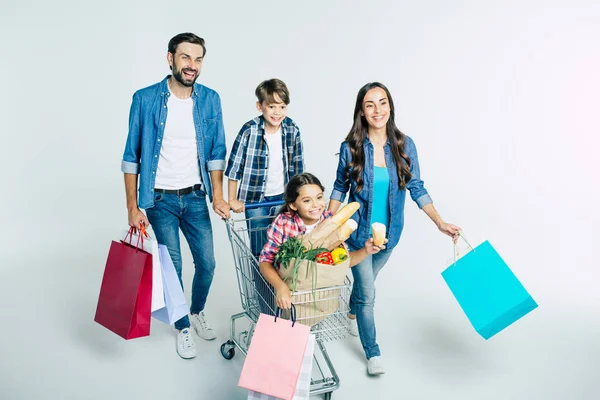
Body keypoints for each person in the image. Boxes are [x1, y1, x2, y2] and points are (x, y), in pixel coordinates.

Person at [328, 82, 461, 375]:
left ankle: (351, 312)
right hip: (358, 235)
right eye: (370, 104)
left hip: (390, 236)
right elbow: (340, 187)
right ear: (361, 112)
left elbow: (416, 186)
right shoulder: (350, 147)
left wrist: (440, 222)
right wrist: (328, 223)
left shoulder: (404, 144)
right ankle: (373, 353)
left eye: (383, 102)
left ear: (390, 106)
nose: (378, 110)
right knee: (368, 295)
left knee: (368, 281)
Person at [121, 32, 230, 360]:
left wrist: (218, 197)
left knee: (208, 263)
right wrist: (132, 207)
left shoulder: (210, 100)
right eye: (186, 58)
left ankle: (196, 312)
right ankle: (183, 326)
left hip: (196, 197)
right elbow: (131, 156)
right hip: (160, 199)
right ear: (170, 59)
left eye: (198, 59)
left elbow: (216, 154)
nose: (192, 65)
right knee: (175, 266)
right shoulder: (145, 99)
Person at [259, 173, 385, 313]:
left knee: (313, 328)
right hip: (290, 292)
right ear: (293, 205)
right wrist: (280, 287)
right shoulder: (284, 223)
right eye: (307, 201)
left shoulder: (331, 221)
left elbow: (342, 261)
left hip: (319, 295)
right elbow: (265, 262)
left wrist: (366, 250)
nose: (316, 205)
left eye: (319, 197)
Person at [226, 78, 304, 257]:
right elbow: (234, 168)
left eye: (282, 107)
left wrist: (299, 198)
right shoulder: (249, 131)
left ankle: (281, 285)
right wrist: (232, 199)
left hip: (283, 199)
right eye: (271, 106)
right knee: (261, 252)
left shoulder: (292, 129)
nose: (277, 112)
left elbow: (298, 167)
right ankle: (261, 286)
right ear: (259, 106)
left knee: (286, 250)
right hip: (256, 201)